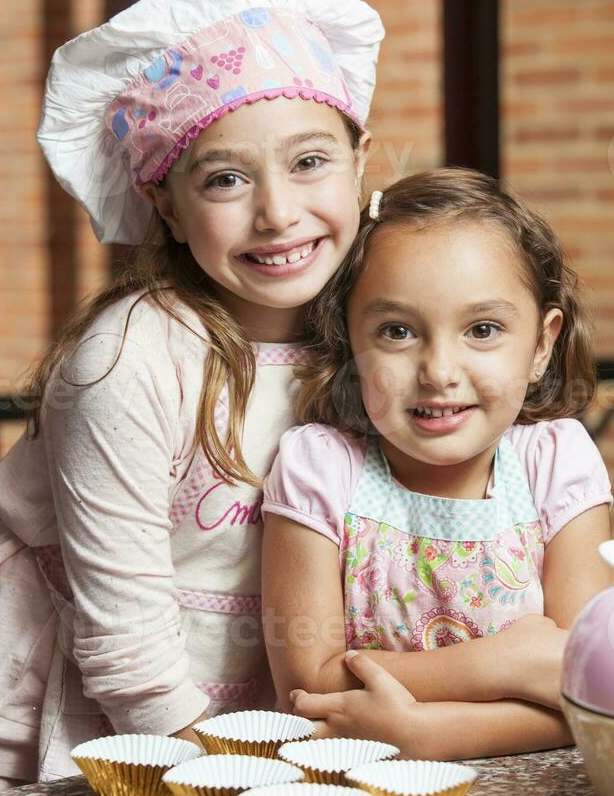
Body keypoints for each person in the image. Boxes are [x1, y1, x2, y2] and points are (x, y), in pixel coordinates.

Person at [0, 0, 384, 794]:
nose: (278, 213)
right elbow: (129, 657)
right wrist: (250, 792)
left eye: (309, 161)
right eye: (225, 177)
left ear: (361, 155)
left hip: (226, 723)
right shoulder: (130, 359)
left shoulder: (372, 331)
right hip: (35, 714)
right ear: (162, 200)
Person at [261, 168, 614, 760]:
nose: (439, 370)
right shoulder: (320, 469)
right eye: (397, 331)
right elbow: (307, 687)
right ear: (349, 340)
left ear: (541, 344)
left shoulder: (557, 464)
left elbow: (589, 685)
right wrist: (505, 664)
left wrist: (428, 732)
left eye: (483, 329)